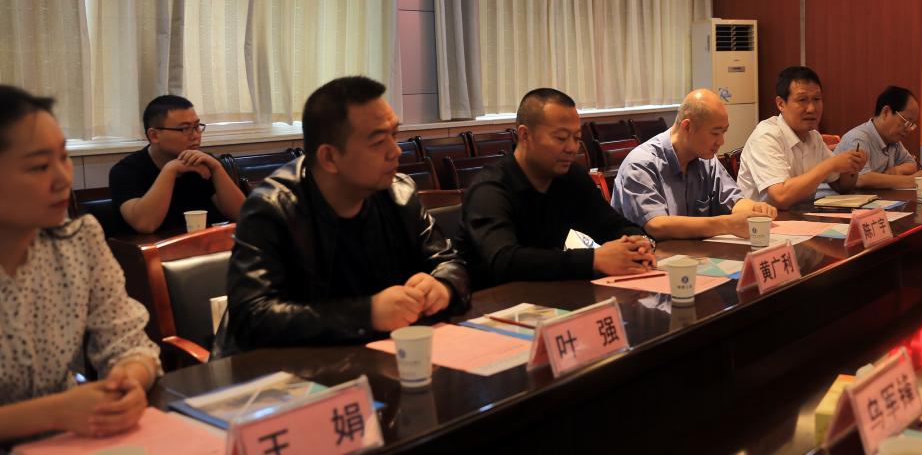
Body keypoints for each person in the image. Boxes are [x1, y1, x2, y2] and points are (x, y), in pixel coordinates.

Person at [221, 76, 470, 352]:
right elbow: (252, 318)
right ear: (329, 157)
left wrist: (443, 286)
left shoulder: (400, 193)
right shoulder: (272, 208)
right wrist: (366, 314)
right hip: (287, 369)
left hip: (374, 356)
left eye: (394, 135)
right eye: (378, 141)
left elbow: (449, 262)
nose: (396, 151)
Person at [0, 86, 160, 443]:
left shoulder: (78, 240)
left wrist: (129, 381)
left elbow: (128, 341)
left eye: (64, 157)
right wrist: (53, 412)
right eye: (40, 166)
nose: (63, 179)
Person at [456, 88, 655, 290]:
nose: (572, 148)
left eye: (576, 138)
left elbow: (611, 224)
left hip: (548, 294)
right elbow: (504, 260)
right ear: (525, 135)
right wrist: (593, 259)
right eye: (561, 138)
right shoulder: (489, 188)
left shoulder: (571, 177)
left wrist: (638, 243)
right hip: (489, 300)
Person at [612, 89, 777, 240]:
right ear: (687, 127)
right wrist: (726, 224)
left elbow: (733, 201)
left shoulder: (706, 159)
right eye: (715, 133)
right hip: (652, 257)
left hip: (693, 254)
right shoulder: (641, 164)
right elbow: (656, 226)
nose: (721, 141)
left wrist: (755, 209)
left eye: (724, 132)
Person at [109, 95, 245, 234]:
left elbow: (243, 215)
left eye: (197, 126)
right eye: (185, 129)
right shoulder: (126, 171)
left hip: (201, 245)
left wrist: (216, 168)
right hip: (149, 247)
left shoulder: (203, 163)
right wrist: (170, 169)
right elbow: (145, 224)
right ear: (154, 135)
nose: (195, 135)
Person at [736, 66, 867, 209]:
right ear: (781, 104)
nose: (812, 108)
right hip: (764, 220)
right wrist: (830, 165)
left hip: (801, 217)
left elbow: (842, 186)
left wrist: (852, 167)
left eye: (817, 99)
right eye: (802, 100)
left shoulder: (813, 137)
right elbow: (781, 196)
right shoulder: (766, 136)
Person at [833, 86, 922, 189]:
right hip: (831, 198)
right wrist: (912, 180)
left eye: (911, 125)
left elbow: (911, 163)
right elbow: (861, 178)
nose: (908, 129)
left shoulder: (893, 141)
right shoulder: (858, 138)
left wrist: (898, 170)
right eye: (907, 122)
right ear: (886, 112)